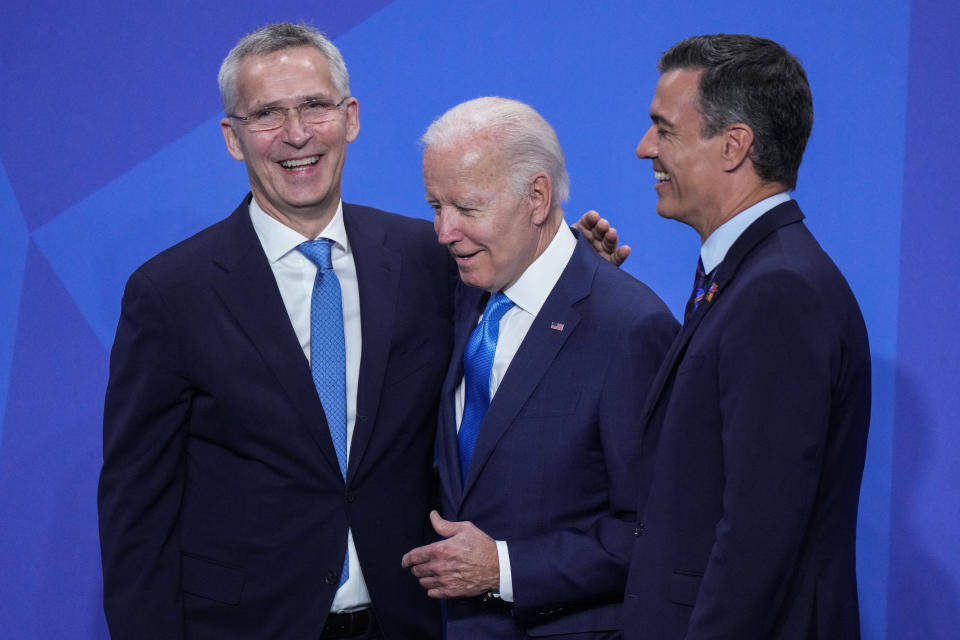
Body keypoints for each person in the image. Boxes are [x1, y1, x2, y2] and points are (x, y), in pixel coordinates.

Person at [97, 22, 455, 639]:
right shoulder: (170, 293)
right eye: (267, 114)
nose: (296, 135)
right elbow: (137, 511)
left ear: (351, 117)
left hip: (407, 620)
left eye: (315, 106)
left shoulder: (430, 257)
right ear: (233, 139)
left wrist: (575, 275)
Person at [621, 35, 871, 639]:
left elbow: (759, 532)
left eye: (664, 129)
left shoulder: (779, 291)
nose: (644, 148)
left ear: (734, 145)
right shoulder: (748, 275)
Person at [401, 97, 678, 639]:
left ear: (536, 197)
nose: (444, 231)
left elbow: (654, 532)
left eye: (467, 207)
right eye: (436, 206)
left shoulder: (629, 327)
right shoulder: (460, 295)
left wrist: (504, 568)